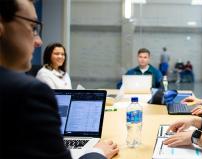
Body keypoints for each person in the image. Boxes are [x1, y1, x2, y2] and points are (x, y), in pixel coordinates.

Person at [0, 0, 119, 158]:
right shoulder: (28, 92)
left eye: (63, 54)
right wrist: (97, 152)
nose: (38, 41)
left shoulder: (62, 75)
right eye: (33, 28)